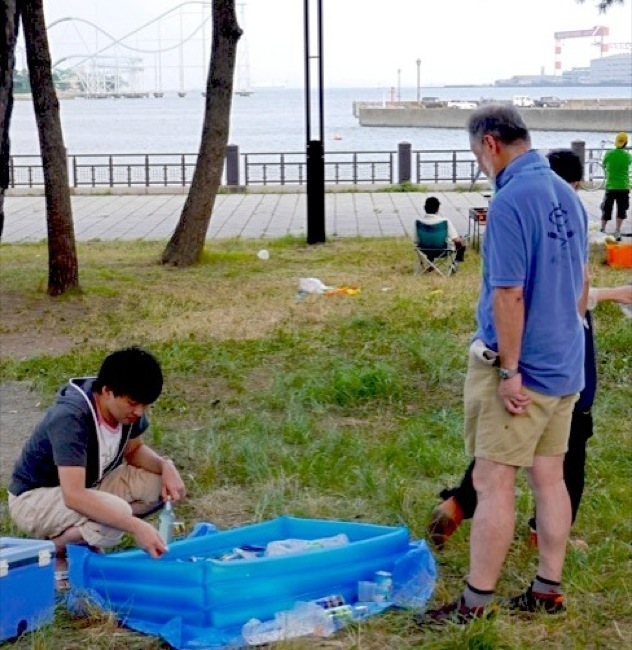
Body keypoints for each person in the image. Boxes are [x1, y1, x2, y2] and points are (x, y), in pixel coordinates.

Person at [415, 106, 588, 626]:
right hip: (566, 363)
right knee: (550, 478)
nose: (480, 164)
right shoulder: (566, 193)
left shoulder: (511, 200)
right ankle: (547, 590)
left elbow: (508, 294)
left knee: (492, 480)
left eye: (477, 155)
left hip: (524, 371)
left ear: (490, 144)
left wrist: (511, 369)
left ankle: (475, 603)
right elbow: (580, 283)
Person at [428, 150, 632, 553]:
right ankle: (544, 537)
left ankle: (457, 504)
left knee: (498, 453)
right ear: (574, 185)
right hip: (558, 361)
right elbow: (570, 295)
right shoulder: (567, 216)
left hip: (515, 354)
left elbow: (513, 290)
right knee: (565, 458)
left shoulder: (521, 210)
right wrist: (616, 293)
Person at [8, 347, 186, 582]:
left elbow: (134, 451)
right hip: (34, 499)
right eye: (133, 403)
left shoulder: (125, 412)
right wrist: (134, 526)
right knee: (118, 515)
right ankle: (55, 551)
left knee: (157, 484)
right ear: (107, 391)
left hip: (87, 485)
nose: (139, 412)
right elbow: (74, 496)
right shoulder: (71, 417)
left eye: (145, 405)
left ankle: (85, 536)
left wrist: (166, 466)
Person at [601, 131, 631, 240]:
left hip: (611, 186)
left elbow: (603, 164)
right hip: (623, 187)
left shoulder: (609, 154)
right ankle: (617, 231)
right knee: (621, 210)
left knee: (606, 209)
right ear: (626, 143)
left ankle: (602, 229)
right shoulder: (628, 156)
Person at [418, 196, 466, 262]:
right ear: (438, 209)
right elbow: (456, 240)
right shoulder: (444, 222)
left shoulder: (419, 223)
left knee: (430, 240)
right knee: (461, 240)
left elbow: (416, 240)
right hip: (443, 251)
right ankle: (457, 260)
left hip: (424, 250)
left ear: (424, 208)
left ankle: (430, 264)